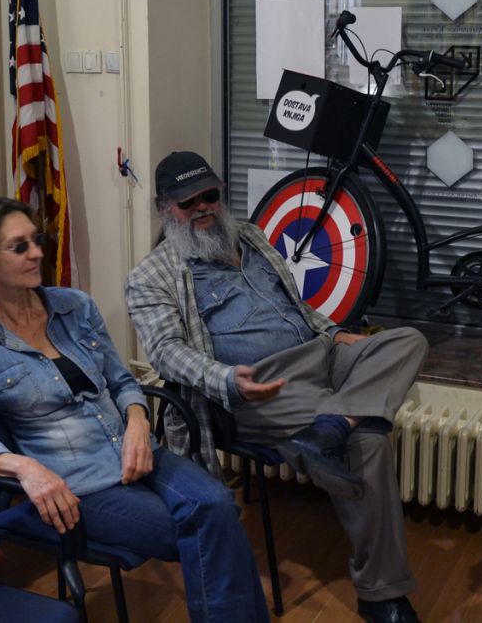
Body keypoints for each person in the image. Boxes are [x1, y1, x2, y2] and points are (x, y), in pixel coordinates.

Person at [0, 194, 269, 622]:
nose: (37, 252)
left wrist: (137, 423)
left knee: (217, 506)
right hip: (80, 485)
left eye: (36, 240)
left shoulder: (76, 307)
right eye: (19, 247)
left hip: (138, 452)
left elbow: (122, 381)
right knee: (210, 525)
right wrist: (25, 468)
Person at [125, 151, 428, 623]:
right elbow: (165, 351)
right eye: (189, 202)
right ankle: (381, 593)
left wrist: (333, 333)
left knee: (407, 341)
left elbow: (297, 308)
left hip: (321, 356)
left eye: (210, 195)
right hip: (260, 386)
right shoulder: (150, 276)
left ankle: (332, 424)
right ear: (165, 208)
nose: (204, 207)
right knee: (369, 441)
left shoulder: (250, 235)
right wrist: (226, 379)